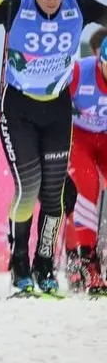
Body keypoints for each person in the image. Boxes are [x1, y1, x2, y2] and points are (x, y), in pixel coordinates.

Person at [0, 0, 107, 295]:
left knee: (54, 195)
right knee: (29, 189)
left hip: (56, 109)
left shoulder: (78, 8)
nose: (51, 0)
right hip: (18, 109)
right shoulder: (16, 6)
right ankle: (20, 263)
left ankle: (45, 265)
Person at [62, 38, 107, 296]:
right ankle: (89, 262)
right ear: (100, 62)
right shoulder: (80, 71)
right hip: (80, 138)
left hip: (106, 139)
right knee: (87, 185)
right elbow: (54, 99)